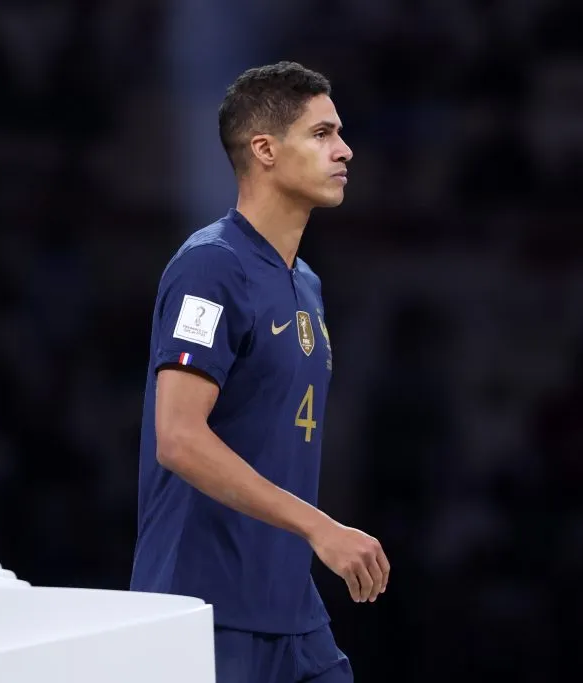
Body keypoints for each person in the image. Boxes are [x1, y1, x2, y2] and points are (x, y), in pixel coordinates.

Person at [129, 61, 390, 683]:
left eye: (340, 132)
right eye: (322, 134)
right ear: (265, 149)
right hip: (205, 607)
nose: (344, 150)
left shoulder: (307, 283)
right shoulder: (209, 268)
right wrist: (319, 526)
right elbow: (179, 437)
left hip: (291, 606)